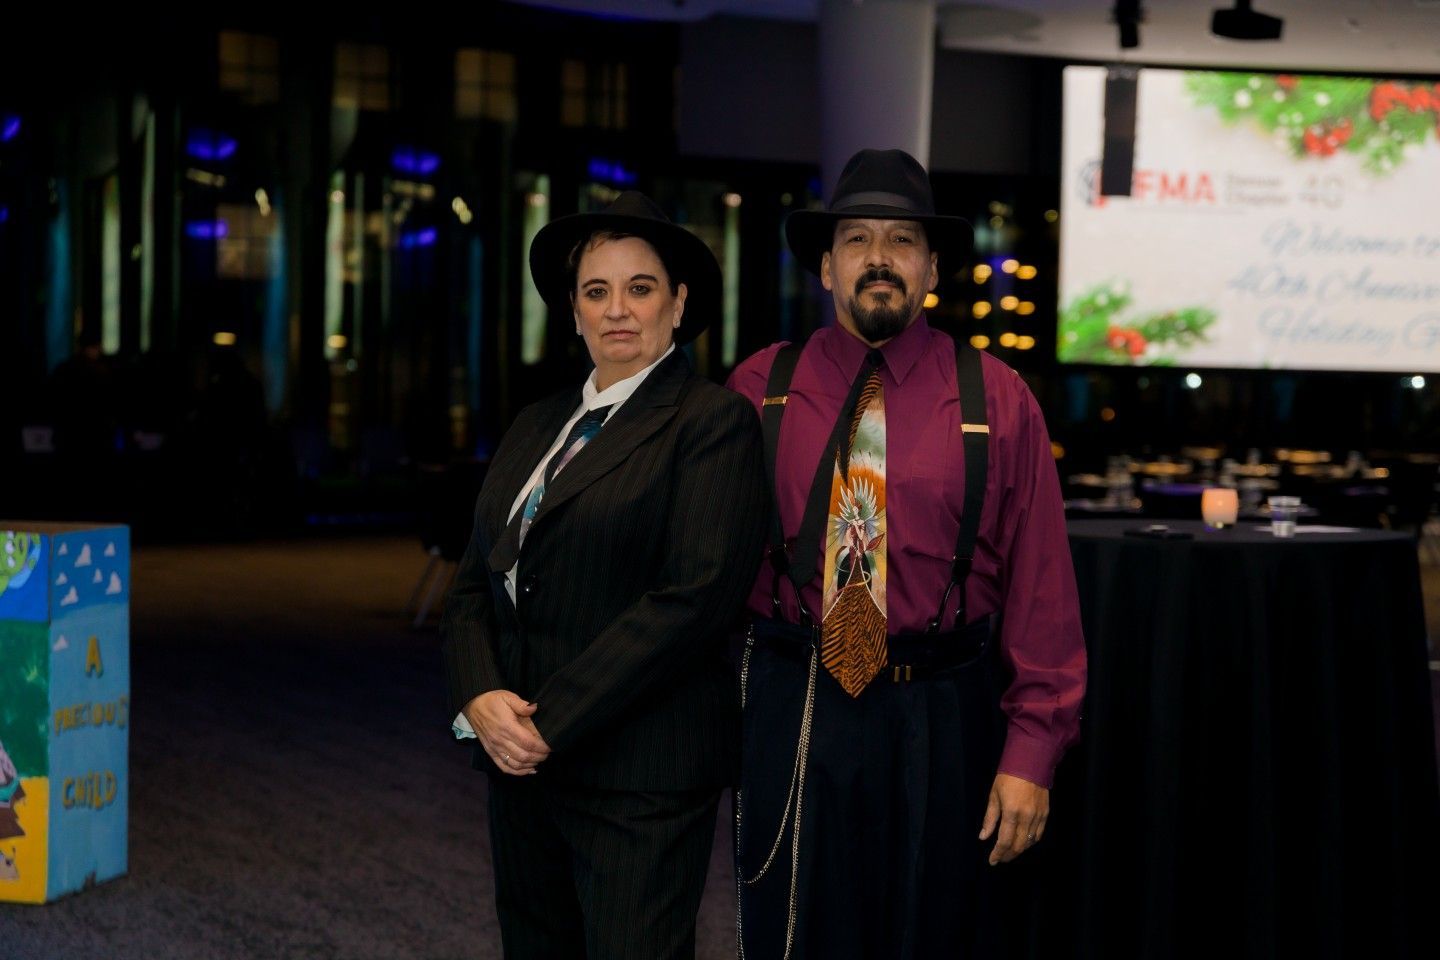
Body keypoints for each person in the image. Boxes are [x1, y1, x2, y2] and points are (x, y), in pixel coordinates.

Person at [727, 149, 1087, 958]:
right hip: (799, 696)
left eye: (901, 239)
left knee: (937, 933)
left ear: (929, 266)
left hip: (944, 706)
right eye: (857, 238)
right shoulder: (759, 388)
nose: (879, 258)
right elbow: (698, 564)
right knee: (795, 930)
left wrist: (1032, 752)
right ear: (826, 265)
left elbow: (1043, 594)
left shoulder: (998, 398)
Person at [441, 191, 768, 960]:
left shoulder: (711, 423)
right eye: (596, 291)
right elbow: (472, 586)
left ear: (679, 304)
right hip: (521, 768)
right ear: (574, 312)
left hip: (637, 776)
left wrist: (541, 723)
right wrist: (479, 695)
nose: (617, 309)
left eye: (640, 287)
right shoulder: (536, 424)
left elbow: (690, 603)